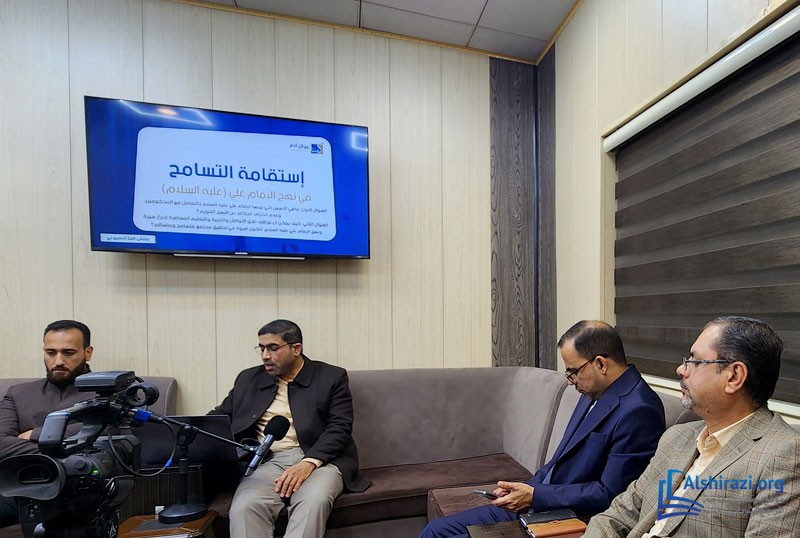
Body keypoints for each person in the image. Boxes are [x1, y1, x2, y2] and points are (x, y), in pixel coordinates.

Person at [420, 320, 666, 538]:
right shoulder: (592, 391)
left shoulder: (639, 410)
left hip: (567, 517)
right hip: (539, 502)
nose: (570, 381)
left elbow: (611, 494)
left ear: (601, 363)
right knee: (435, 531)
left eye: (572, 371)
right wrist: (524, 488)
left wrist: (536, 495)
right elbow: (559, 460)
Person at [584, 316, 800, 537]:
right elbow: (617, 515)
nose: (681, 369)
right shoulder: (677, 437)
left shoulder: (783, 455)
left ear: (734, 377)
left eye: (695, 361)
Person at [210, 319, 370, 538]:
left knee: (313, 501)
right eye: (261, 348)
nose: (265, 355)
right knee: (245, 508)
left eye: (273, 348)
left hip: (320, 459)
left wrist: (308, 463)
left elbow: (339, 427)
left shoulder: (330, 377)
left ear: (296, 349)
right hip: (267, 461)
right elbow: (221, 417)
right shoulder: (248, 379)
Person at [0, 320, 94, 527]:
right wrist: (66, 447)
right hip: (18, 486)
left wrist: (33, 434)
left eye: (68, 353)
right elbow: (1, 445)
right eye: (51, 353)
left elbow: (102, 432)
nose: (58, 361)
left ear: (87, 353)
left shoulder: (108, 392)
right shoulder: (18, 393)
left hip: (80, 488)